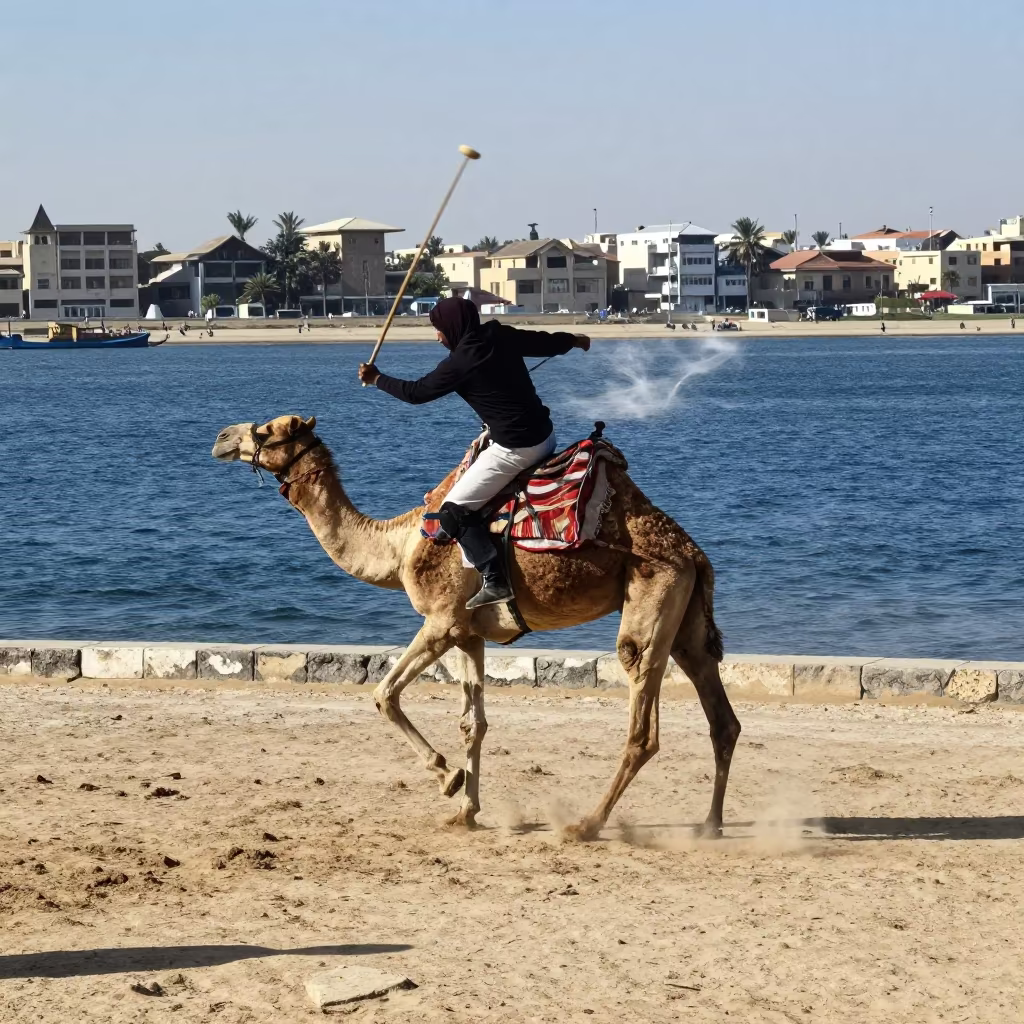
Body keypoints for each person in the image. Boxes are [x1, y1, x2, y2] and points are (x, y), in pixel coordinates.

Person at [358, 296, 589, 609]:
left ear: (453, 327)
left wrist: (376, 379)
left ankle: (495, 579)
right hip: (545, 436)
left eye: (438, 329)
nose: (437, 336)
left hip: (516, 448)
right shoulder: (497, 334)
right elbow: (542, 342)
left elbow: (416, 393)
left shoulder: (461, 362)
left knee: (452, 510)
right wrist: (573, 340)